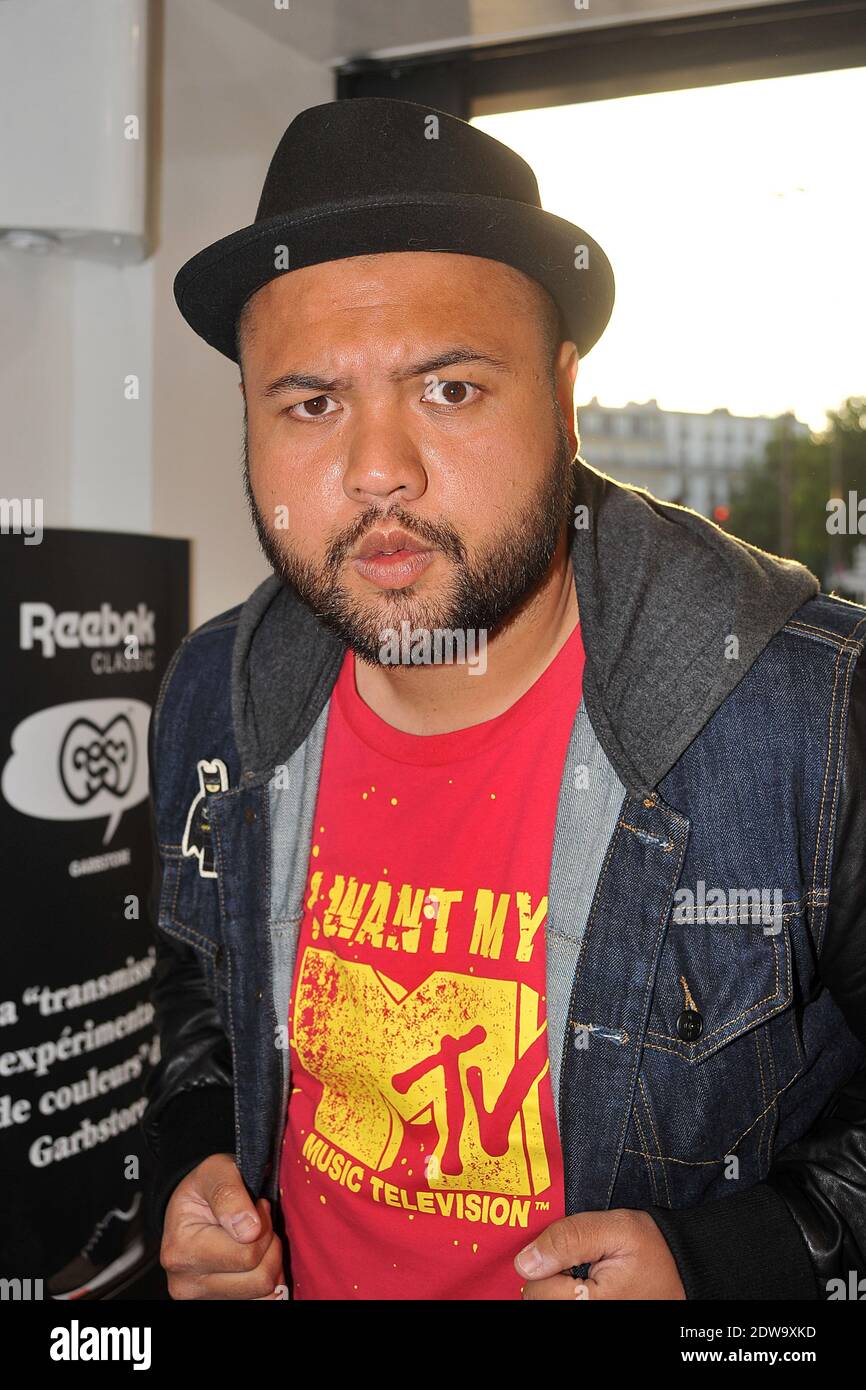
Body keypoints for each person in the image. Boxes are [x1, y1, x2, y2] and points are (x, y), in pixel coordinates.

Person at [142, 97, 866, 1301]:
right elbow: (197, 996)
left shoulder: (810, 713)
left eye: (449, 389)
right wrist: (197, 1165)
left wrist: (731, 1266)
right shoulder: (213, 691)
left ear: (562, 393)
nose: (377, 467)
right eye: (310, 402)